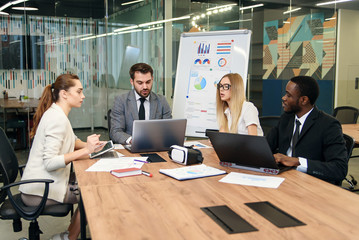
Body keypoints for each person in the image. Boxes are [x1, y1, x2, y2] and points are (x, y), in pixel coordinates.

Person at [19, 74, 104, 240]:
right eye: (79, 92)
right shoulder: (56, 119)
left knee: (91, 186)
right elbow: (50, 162)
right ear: (64, 94)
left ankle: (67, 235)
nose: (83, 96)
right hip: (38, 191)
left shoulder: (57, 113)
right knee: (92, 195)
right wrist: (87, 150)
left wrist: (99, 145)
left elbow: (72, 141)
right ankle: (69, 237)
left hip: (43, 183)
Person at [266, 76, 348, 184]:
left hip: (309, 183)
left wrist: (298, 162)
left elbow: (339, 169)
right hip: (284, 178)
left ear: (304, 100)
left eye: (288, 95)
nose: (283, 98)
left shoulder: (329, 125)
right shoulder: (286, 118)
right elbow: (266, 146)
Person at [110, 62, 172, 144]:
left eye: (148, 82)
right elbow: (115, 131)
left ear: (152, 79)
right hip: (131, 148)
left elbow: (168, 129)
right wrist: (132, 141)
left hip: (155, 146)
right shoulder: (121, 101)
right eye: (140, 83)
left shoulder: (161, 101)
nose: (145, 87)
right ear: (132, 81)